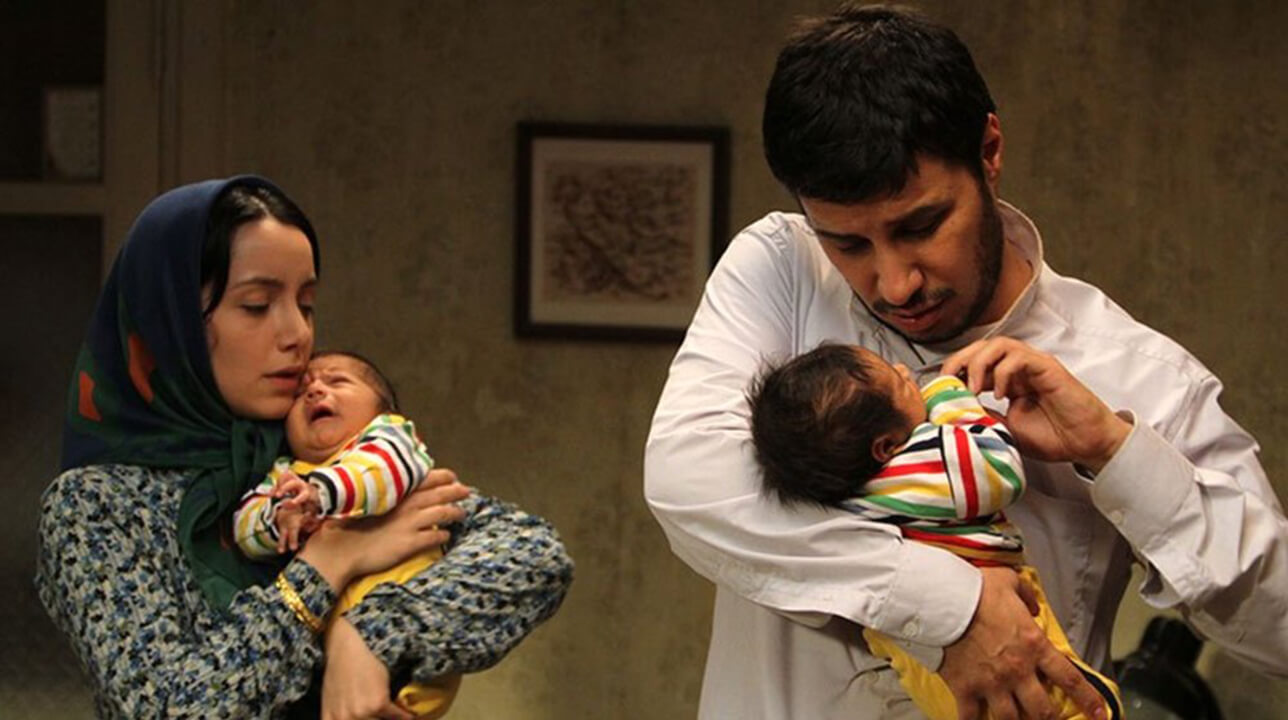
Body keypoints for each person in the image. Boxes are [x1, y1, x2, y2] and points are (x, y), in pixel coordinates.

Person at [643, 4, 1288, 719]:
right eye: (847, 244)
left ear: (989, 150)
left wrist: (1116, 454)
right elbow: (688, 481)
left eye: (921, 225)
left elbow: (1280, 632)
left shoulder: (1142, 376)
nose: (896, 284)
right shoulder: (781, 272)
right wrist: (949, 608)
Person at [38, 176, 573, 719]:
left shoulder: (321, 451)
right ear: (172, 321)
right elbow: (170, 708)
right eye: (256, 305)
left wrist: (368, 635)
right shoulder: (95, 504)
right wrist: (327, 562)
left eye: (307, 304)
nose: (297, 334)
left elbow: (533, 555)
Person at [747, 343, 1121, 720]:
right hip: (985, 611)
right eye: (900, 384)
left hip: (908, 650)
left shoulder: (841, 495)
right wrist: (948, 394)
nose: (905, 370)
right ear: (886, 447)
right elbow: (998, 469)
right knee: (1072, 705)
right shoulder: (920, 464)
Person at [232, 350, 458, 719]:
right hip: (332, 663)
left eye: (337, 381)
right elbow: (244, 528)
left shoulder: (392, 438)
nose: (315, 391)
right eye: (301, 392)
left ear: (383, 410)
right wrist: (279, 518)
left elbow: (380, 473)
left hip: (413, 621)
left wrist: (321, 495)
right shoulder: (285, 474)